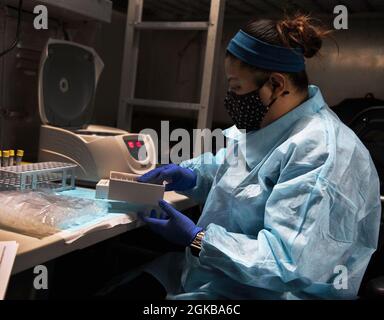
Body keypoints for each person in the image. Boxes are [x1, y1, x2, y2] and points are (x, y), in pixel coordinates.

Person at [133, 14, 381, 300]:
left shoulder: (322, 152)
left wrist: (199, 239)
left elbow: (287, 264)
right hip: (216, 277)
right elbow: (241, 171)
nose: (230, 97)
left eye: (236, 87)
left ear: (276, 84)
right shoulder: (273, 122)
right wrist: (192, 175)